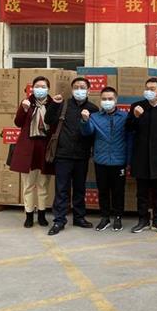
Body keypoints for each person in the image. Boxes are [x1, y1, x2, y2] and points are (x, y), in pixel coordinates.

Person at [45, 77, 99, 236]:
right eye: (76, 87)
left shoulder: (93, 109)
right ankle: (59, 220)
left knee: (80, 188)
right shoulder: (63, 105)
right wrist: (54, 104)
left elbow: (94, 133)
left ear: (88, 90)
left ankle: (79, 217)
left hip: (82, 155)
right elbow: (48, 120)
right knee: (61, 189)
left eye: (82, 87)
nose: (79, 90)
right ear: (72, 89)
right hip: (63, 154)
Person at [126, 77, 157, 234]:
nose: (148, 91)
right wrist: (135, 116)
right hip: (141, 156)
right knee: (142, 192)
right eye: (147, 88)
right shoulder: (137, 107)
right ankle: (143, 220)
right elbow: (128, 129)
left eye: (152, 89)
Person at [80, 87, 130, 232]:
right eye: (104, 99)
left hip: (119, 160)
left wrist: (129, 160)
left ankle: (118, 217)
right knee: (102, 190)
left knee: (118, 191)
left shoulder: (125, 117)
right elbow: (87, 132)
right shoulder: (95, 117)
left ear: (116, 100)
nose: (107, 101)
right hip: (101, 160)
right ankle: (105, 217)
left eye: (110, 99)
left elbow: (131, 137)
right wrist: (84, 121)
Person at [9, 76, 55, 228]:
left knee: (43, 185)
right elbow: (18, 123)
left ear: (48, 89)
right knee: (28, 185)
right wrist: (23, 109)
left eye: (43, 86)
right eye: (37, 86)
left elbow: (55, 125)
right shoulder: (26, 103)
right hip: (28, 149)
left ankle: (41, 215)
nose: (40, 89)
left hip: (44, 149)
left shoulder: (52, 104)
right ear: (32, 88)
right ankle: (29, 215)